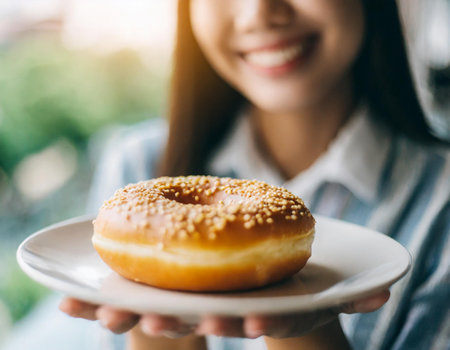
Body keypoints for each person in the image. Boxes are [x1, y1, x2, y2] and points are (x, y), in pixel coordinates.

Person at [59, 0, 450, 349]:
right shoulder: (138, 166)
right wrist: (156, 329)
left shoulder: (440, 205)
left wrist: (305, 326)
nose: (258, 12)